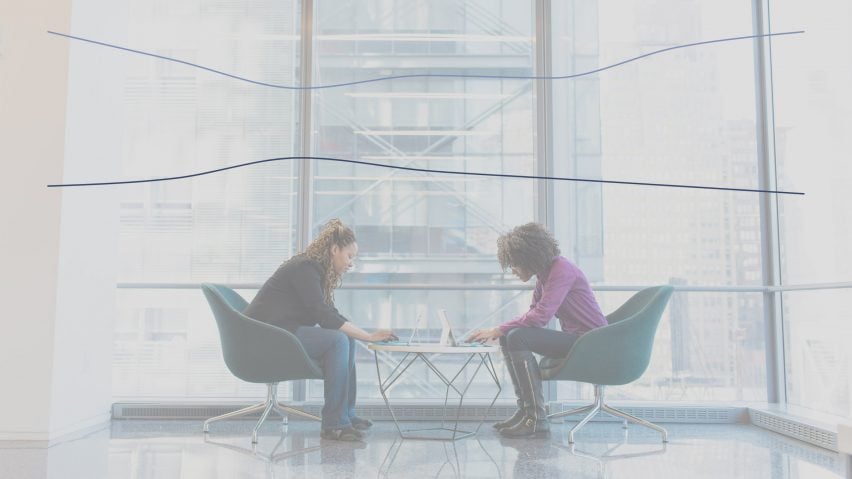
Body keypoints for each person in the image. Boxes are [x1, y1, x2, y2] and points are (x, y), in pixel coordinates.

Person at [244, 219, 396, 441]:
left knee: (345, 338)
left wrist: (365, 335)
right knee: (338, 340)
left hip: (281, 332)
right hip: (266, 336)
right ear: (335, 250)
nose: (352, 263)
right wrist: (368, 336)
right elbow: (323, 317)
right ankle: (334, 424)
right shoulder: (305, 268)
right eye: (350, 256)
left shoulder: (315, 270)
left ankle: (345, 415)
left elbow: (329, 313)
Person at [467, 223, 607, 438]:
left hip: (592, 342)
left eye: (514, 264)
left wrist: (496, 328)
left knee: (517, 336)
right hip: (578, 339)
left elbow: (540, 317)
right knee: (510, 336)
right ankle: (526, 412)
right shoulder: (545, 275)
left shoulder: (562, 271)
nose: (512, 270)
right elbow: (533, 313)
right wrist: (500, 331)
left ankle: (536, 418)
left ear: (528, 257)